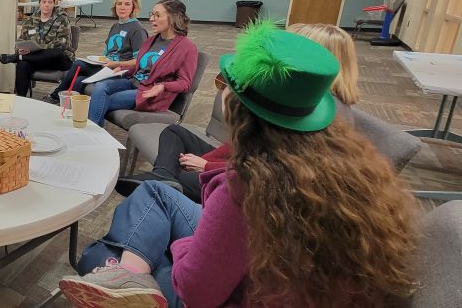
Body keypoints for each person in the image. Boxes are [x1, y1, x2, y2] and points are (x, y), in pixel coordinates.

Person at [58, 22, 417, 308]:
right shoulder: (345, 160)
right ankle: (127, 276)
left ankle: (125, 277)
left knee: (99, 255)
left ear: (242, 112)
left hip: (245, 294)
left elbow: (197, 292)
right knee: (155, 192)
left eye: (227, 84)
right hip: (285, 274)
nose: (222, 91)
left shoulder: (249, 185)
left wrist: (184, 245)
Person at [116, 21, 363, 202]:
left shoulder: (322, 118)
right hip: (235, 160)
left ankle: (164, 181)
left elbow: (267, 169)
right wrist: (210, 161)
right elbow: (244, 145)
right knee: (174, 135)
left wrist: (207, 166)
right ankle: (163, 176)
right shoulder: (303, 105)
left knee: (175, 174)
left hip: (245, 179)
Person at [87, 0, 198, 127]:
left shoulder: (187, 47)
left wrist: (162, 86)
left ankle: (92, 133)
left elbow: (185, 83)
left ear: (173, 18)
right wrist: (121, 69)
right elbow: (142, 66)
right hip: (134, 82)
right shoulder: (152, 40)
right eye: (152, 14)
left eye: (157, 15)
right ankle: (93, 131)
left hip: (150, 93)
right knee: (101, 86)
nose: (151, 19)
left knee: (103, 101)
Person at [45, 0, 147, 103]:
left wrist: (117, 63)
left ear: (133, 7)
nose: (122, 7)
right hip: (106, 67)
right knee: (78, 80)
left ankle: (55, 96)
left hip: (119, 72)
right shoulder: (115, 26)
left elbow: (139, 61)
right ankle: (68, 107)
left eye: (127, 4)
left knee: (78, 64)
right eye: (119, 3)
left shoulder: (137, 29)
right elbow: (108, 53)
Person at [0, 0, 72, 97]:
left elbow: (61, 44)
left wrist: (39, 48)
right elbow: (21, 40)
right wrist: (21, 49)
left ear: (54, 4)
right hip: (36, 60)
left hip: (58, 60)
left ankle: (17, 58)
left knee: (57, 52)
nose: (47, 5)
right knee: (22, 65)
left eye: (50, 2)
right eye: (44, 2)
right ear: (39, 3)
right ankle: (21, 99)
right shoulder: (30, 20)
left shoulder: (62, 19)